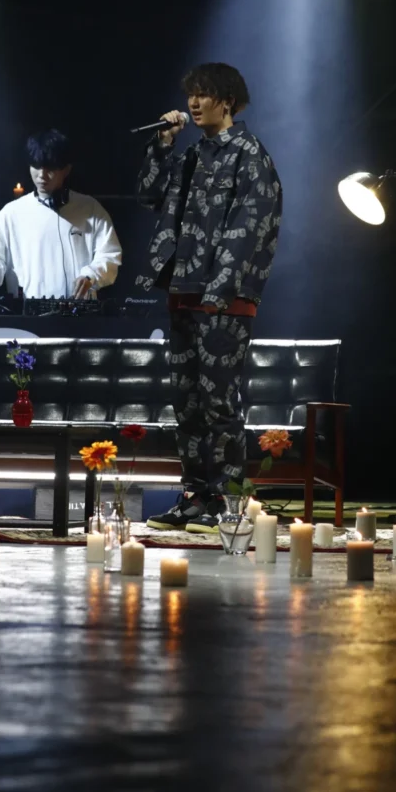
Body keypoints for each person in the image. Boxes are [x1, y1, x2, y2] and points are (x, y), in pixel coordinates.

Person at [136, 63, 282, 532]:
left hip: (224, 300)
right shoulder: (191, 155)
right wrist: (163, 145)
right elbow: (149, 196)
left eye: (204, 95)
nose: (194, 103)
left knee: (219, 403)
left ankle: (227, 501)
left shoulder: (250, 155)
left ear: (228, 101)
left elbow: (251, 230)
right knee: (188, 404)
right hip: (183, 293)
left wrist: (219, 292)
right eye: (191, 95)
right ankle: (195, 496)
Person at [0, 129, 122, 299]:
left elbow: (109, 256)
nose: (41, 175)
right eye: (36, 166)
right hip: (27, 311)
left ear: (66, 170)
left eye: (50, 168)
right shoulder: (12, 213)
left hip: (80, 311)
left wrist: (91, 276)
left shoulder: (90, 208)